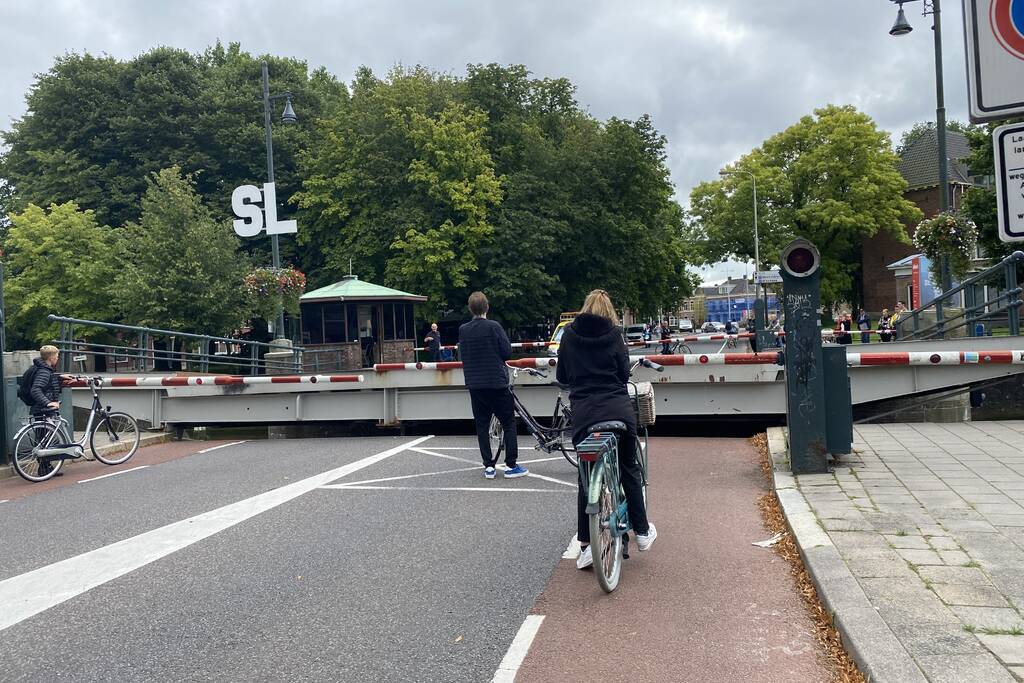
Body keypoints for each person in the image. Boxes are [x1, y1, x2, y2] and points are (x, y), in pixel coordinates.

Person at [557, 290, 656, 570]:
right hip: (617, 411)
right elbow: (623, 374)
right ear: (610, 310)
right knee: (629, 468)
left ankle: (586, 545)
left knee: (586, 479)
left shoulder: (569, 335)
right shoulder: (614, 335)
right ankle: (643, 532)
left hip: (585, 415)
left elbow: (562, 376)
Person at [458, 292, 528, 480]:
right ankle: (511, 465)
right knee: (508, 423)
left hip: (475, 384)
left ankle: (489, 466)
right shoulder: (494, 327)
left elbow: (463, 354)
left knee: (482, 425)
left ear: (470, 309)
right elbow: (506, 352)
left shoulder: (464, 330)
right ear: (487, 307)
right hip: (496, 383)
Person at [29, 345, 72, 476]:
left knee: (45, 439)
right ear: (52, 358)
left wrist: (59, 378)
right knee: (45, 440)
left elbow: (47, 384)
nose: (58, 359)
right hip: (43, 409)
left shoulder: (44, 369)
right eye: (57, 356)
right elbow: (36, 389)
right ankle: (44, 469)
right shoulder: (44, 371)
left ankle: (46, 468)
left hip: (40, 409)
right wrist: (48, 403)